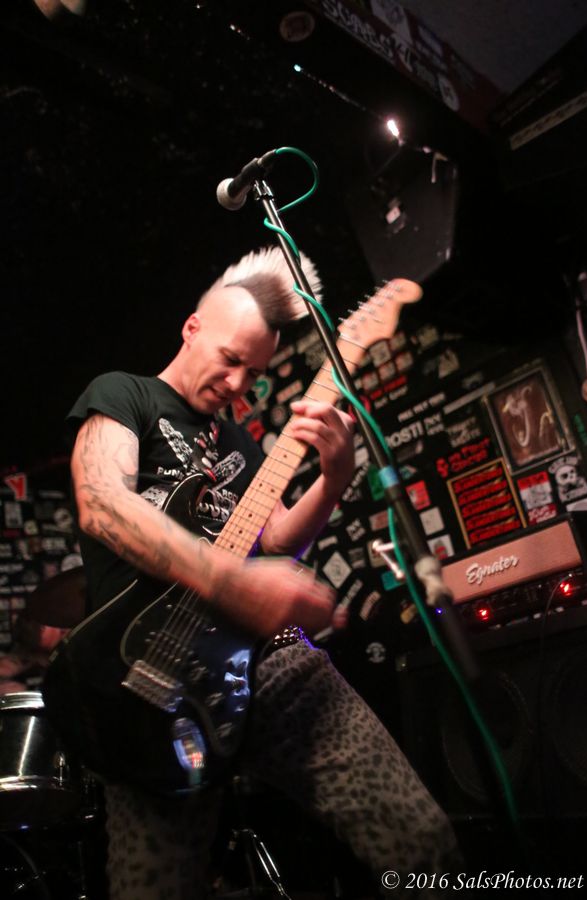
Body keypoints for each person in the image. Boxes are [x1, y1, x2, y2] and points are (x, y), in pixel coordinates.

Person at [63, 246, 459, 899]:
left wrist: (334, 477)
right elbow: (103, 503)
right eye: (230, 359)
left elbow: (273, 539)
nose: (239, 383)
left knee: (421, 839)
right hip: (149, 682)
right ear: (192, 328)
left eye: (255, 372)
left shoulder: (238, 441)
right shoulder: (123, 394)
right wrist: (228, 581)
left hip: (268, 660)